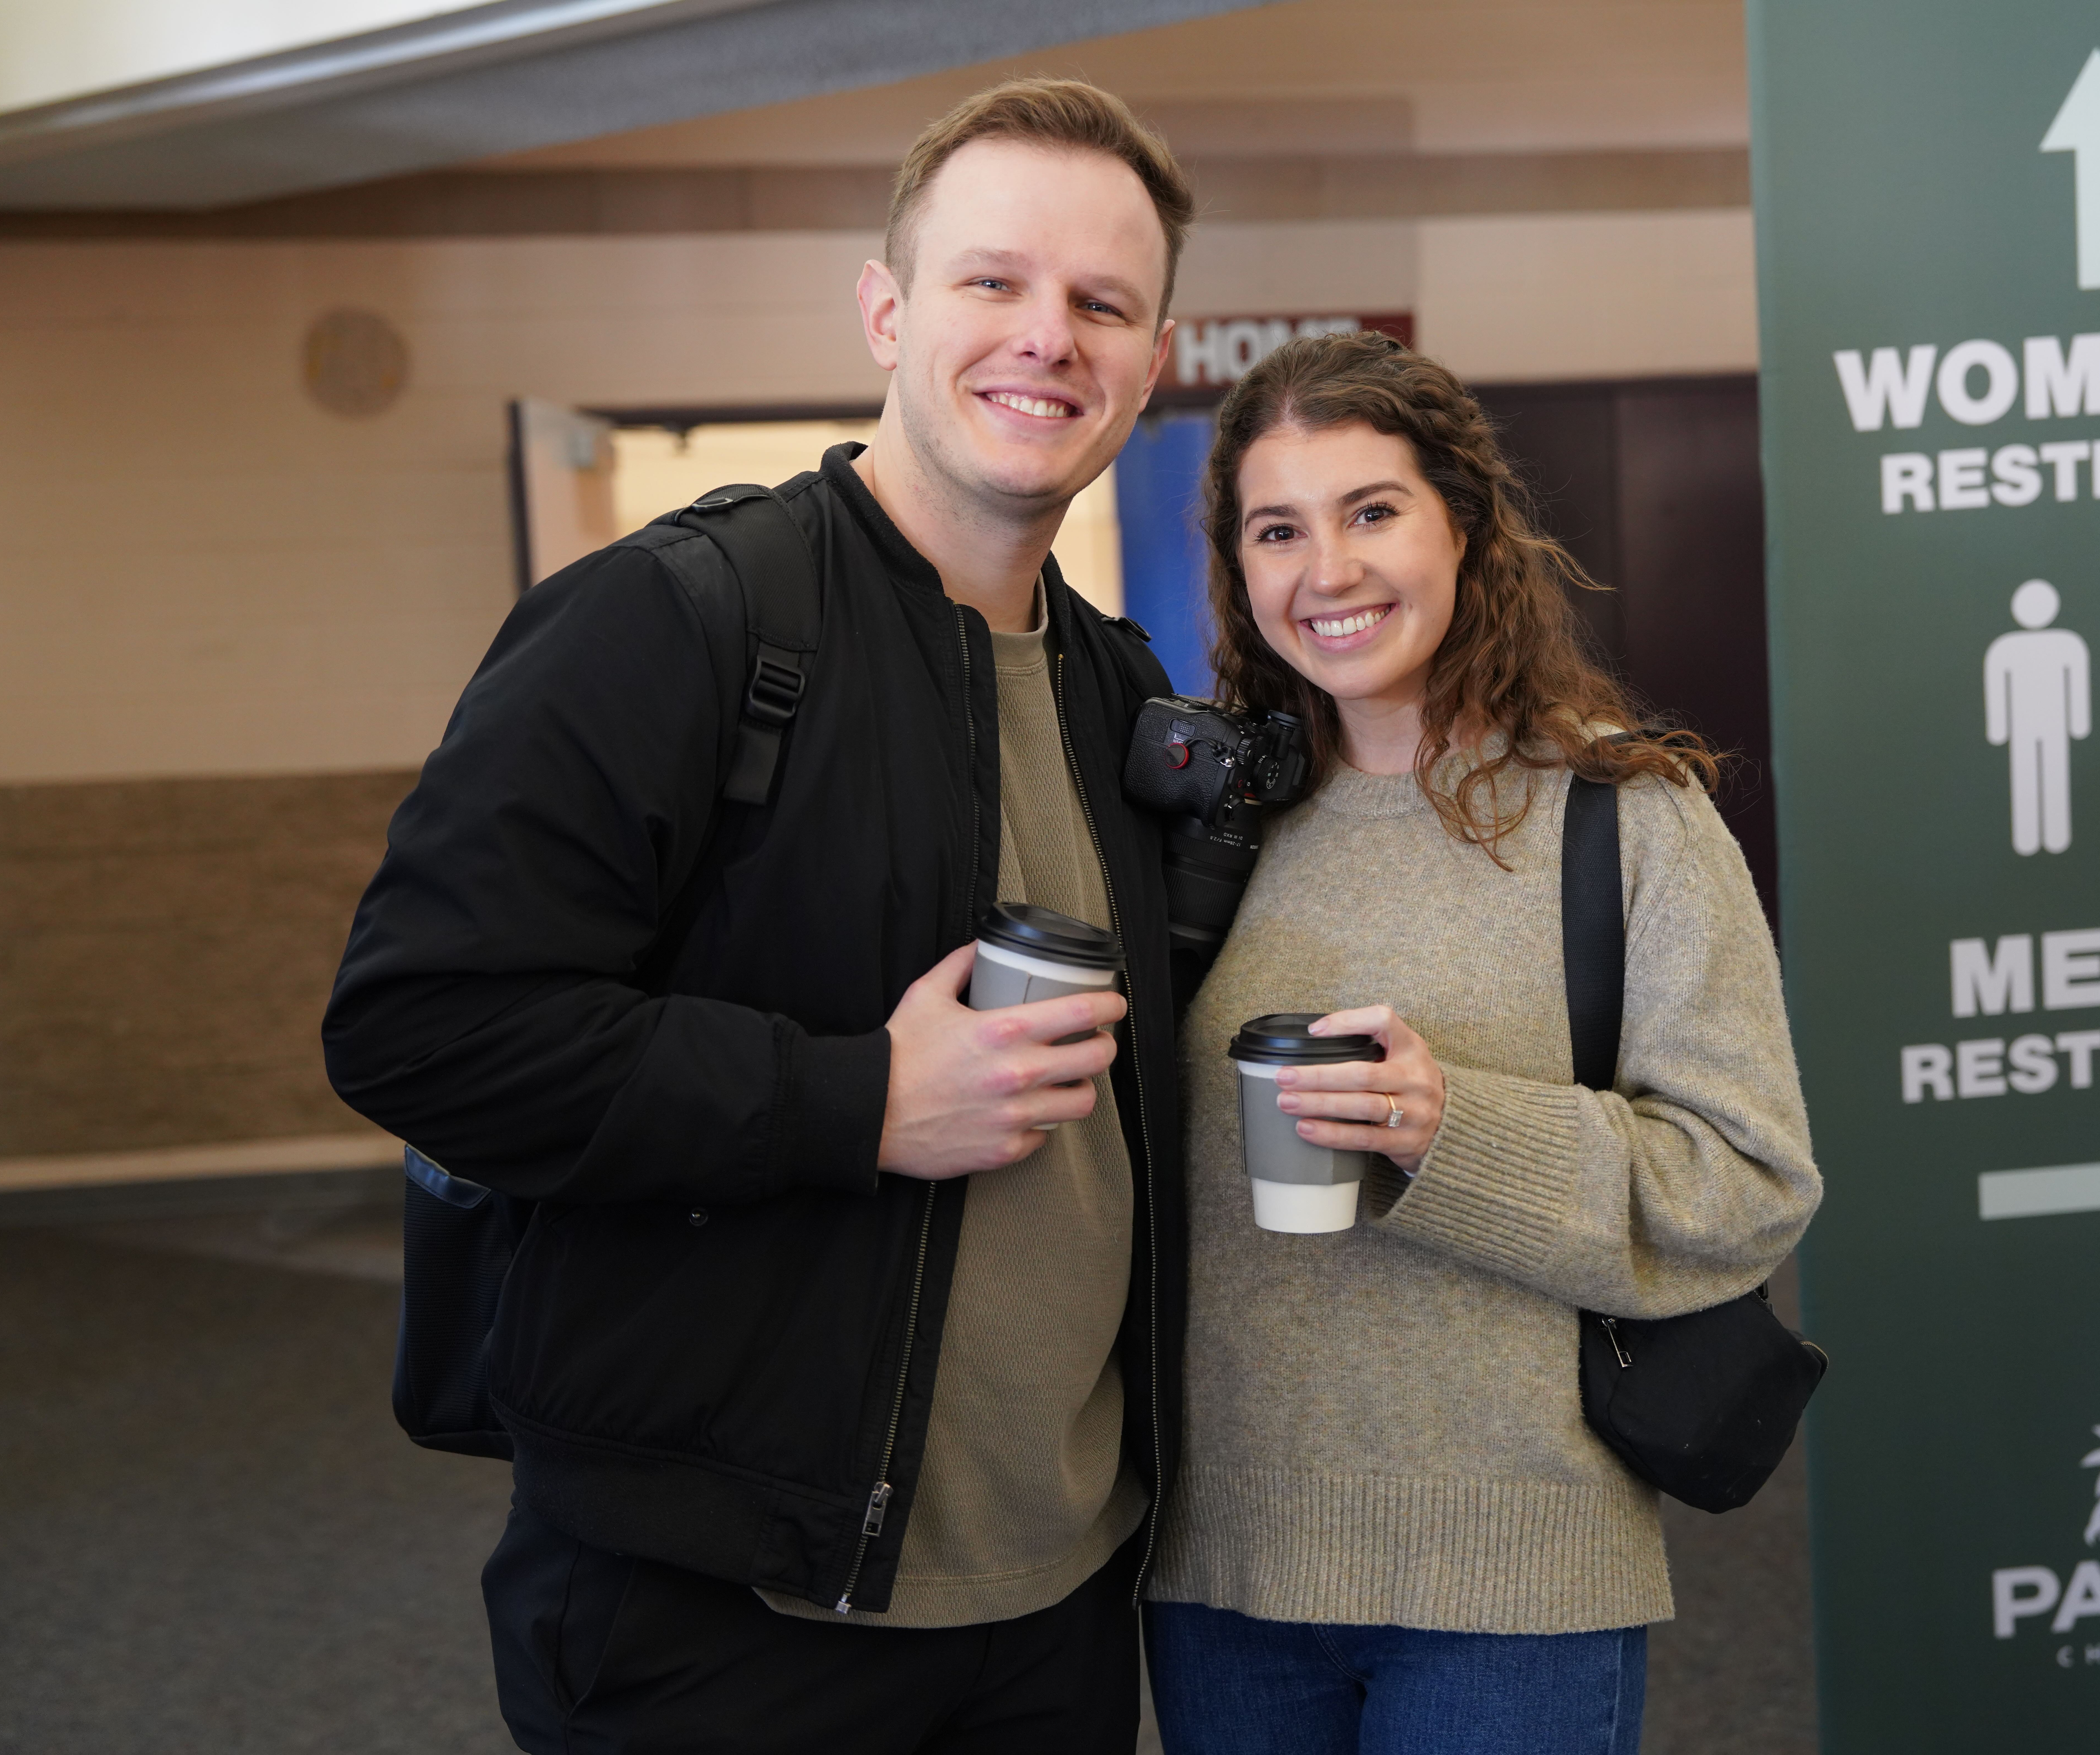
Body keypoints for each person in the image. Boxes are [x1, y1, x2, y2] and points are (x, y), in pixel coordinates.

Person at [324, 79, 1197, 1755]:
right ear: (885, 309)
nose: (1051, 339)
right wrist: (855, 1099)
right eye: (992, 283)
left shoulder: (1115, 689)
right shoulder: (674, 621)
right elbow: (420, 1027)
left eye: (1104, 304)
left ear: (1158, 356)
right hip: (729, 1615)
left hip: (1055, 1598)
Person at [1139, 332, 1822, 1754]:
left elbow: (1748, 1180)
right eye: (1278, 529)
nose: (1326, 571)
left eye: (1371, 510)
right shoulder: (1205, 831)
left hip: (1511, 1574)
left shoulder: (1621, 817)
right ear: (1237, 568)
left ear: (1463, 523)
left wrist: (1453, 1130)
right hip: (1221, 1568)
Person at [1984, 577, 2090, 856]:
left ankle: (2056, 834)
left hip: (2053, 724)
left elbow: (2077, 685)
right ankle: (2029, 837)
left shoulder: (2069, 645)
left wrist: (2079, 723)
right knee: (2026, 776)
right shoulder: (2004, 649)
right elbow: (1998, 689)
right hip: (2024, 727)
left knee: (2053, 775)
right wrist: (1999, 729)